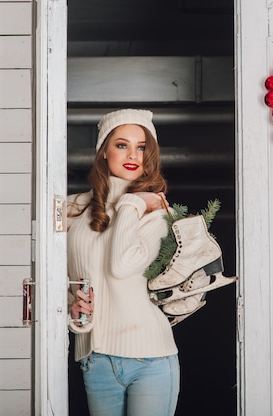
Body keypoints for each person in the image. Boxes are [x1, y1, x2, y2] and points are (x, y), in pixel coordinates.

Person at [67, 109, 179, 416]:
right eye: (121, 145)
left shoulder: (155, 212)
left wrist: (133, 201)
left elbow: (121, 265)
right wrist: (70, 307)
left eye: (141, 147)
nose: (133, 155)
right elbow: (63, 278)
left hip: (151, 359)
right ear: (103, 151)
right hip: (96, 358)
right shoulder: (73, 210)